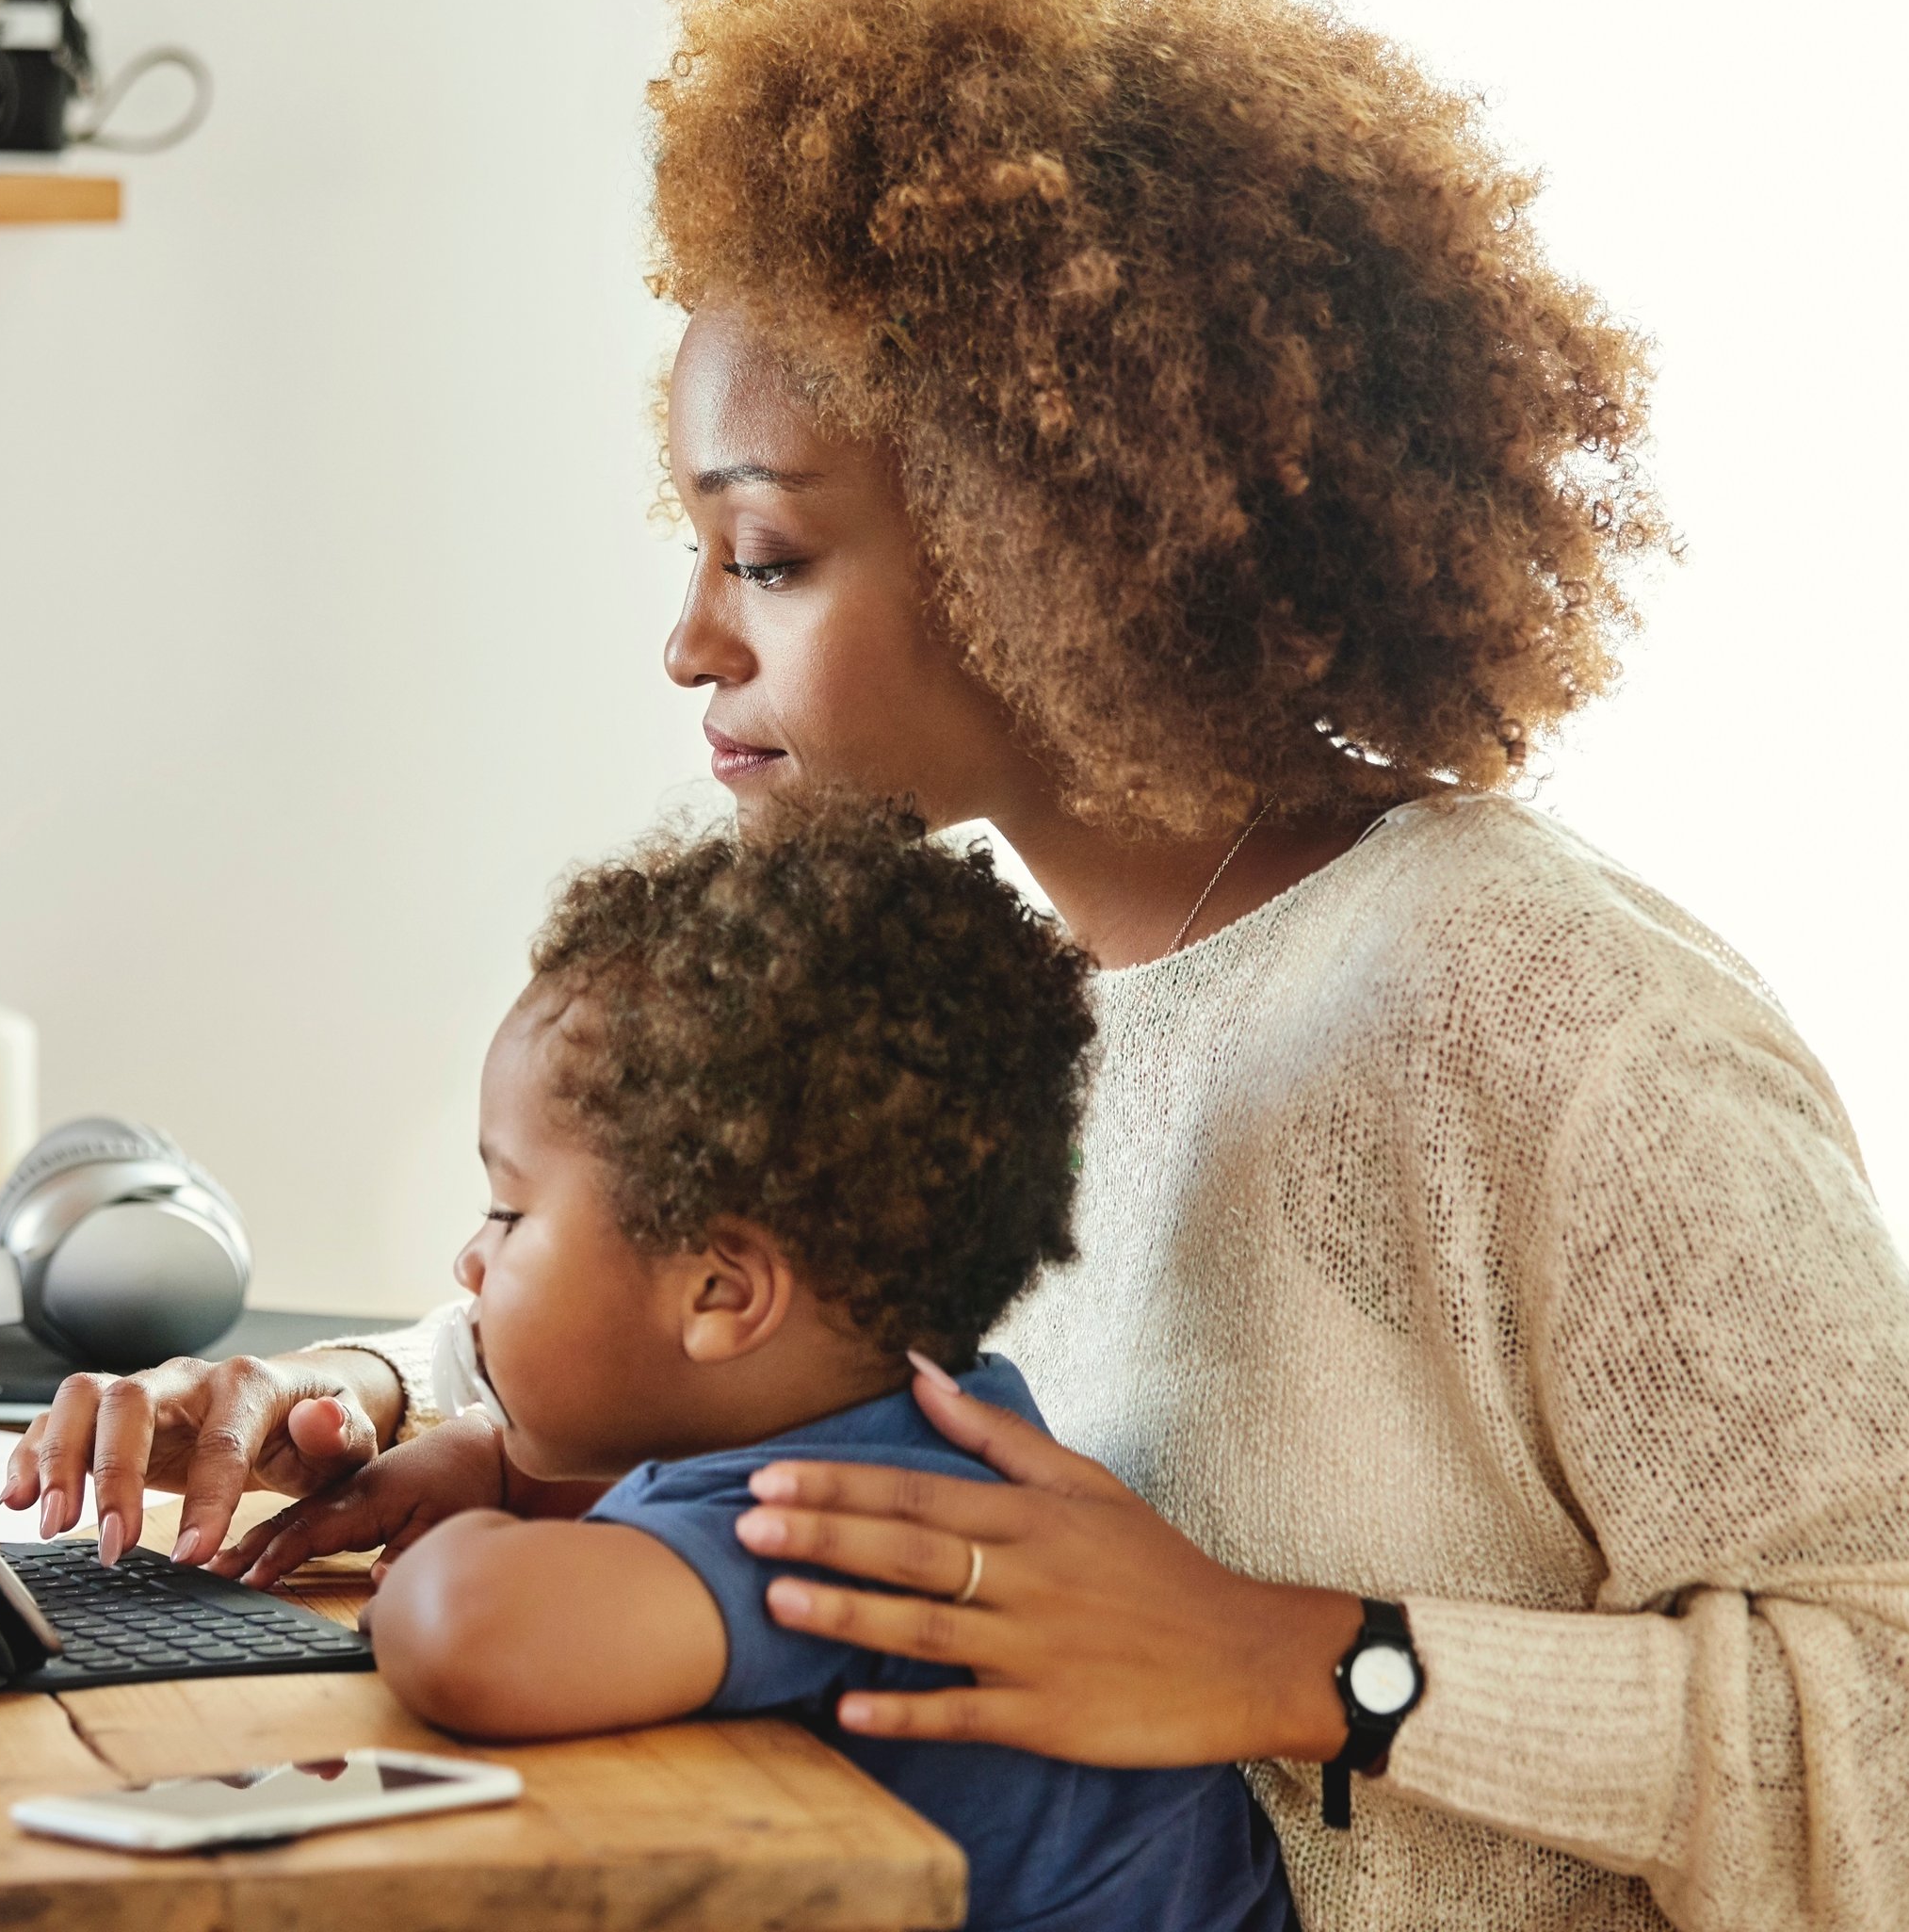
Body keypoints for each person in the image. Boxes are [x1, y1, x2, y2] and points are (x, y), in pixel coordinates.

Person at [5, 0, 1909, 1930]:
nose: (685, 643)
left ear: (1058, 535)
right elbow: (758, 1324)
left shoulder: (1542, 1015)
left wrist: (1310, 1662)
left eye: (769, 557)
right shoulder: (1018, 988)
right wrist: (365, 1401)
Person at [282, 797, 1295, 1932]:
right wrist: (505, 1473)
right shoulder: (945, 1421)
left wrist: (457, 1555)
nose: (471, 1260)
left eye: (508, 1209)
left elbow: (473, 1634)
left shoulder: (841, 1522)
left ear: (723, 1294)